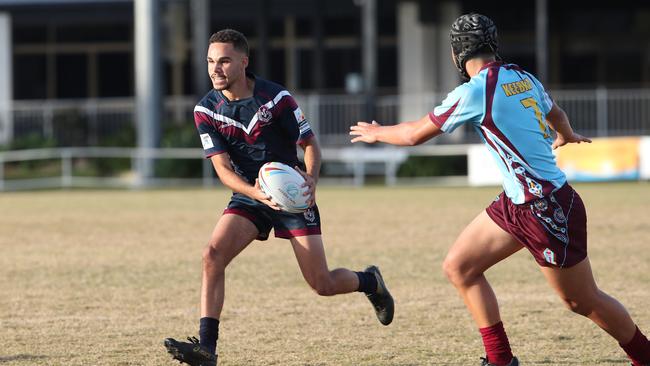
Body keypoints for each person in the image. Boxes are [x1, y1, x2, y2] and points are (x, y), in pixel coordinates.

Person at [350, 13, 650, 366]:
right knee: (460, 267)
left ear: (457, 53)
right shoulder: (523, 77)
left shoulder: (476, 92)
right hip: (519, 203)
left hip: (546, 209)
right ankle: (500, 360)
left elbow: (414, 134)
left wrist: (377, 132)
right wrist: (565, 134)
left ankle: (645, 355)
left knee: (582, 301)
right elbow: (556, 113)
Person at [163, 29, 394, 366]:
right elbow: (223, 169)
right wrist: (254, 192)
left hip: (292, 194)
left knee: (322, 284)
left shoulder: (276, 99)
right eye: (211, 61)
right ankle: (207, 349)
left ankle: (370, 281)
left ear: (244, 62)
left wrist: (311, 180)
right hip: (249, 195)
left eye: (224, 61)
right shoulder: (206, 110)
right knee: (212, 255)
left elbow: (310, 145)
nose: (216, 68)